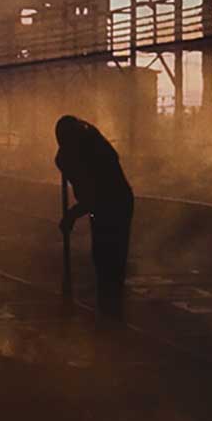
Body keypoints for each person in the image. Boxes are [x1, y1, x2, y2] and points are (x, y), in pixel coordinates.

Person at [54, 115, 135, 319]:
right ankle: (110, 307)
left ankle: (110, 308)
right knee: (109, 255)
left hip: (114, 203)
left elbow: (95, 195)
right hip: (119, 202)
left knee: (107, 255)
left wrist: (72, 215)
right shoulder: (93, 144)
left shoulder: (88, 154)